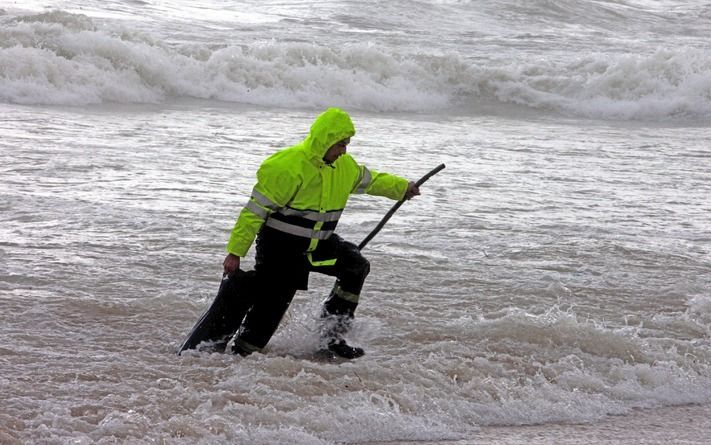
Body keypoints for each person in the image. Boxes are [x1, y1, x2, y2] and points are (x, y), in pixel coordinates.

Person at [221, 107, 420, 359]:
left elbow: (372, 181)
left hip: (319, 245)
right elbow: (253, 213)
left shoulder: (344, 167)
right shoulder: (286, 166)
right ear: (324, 141)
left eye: (347, 144)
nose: (344, 150)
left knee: (355, 265)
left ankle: (331, 337)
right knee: (269, 311)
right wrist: (235, 253)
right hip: (280, 251)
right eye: (340, 144)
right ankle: (241, 353)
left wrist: (402, 188)